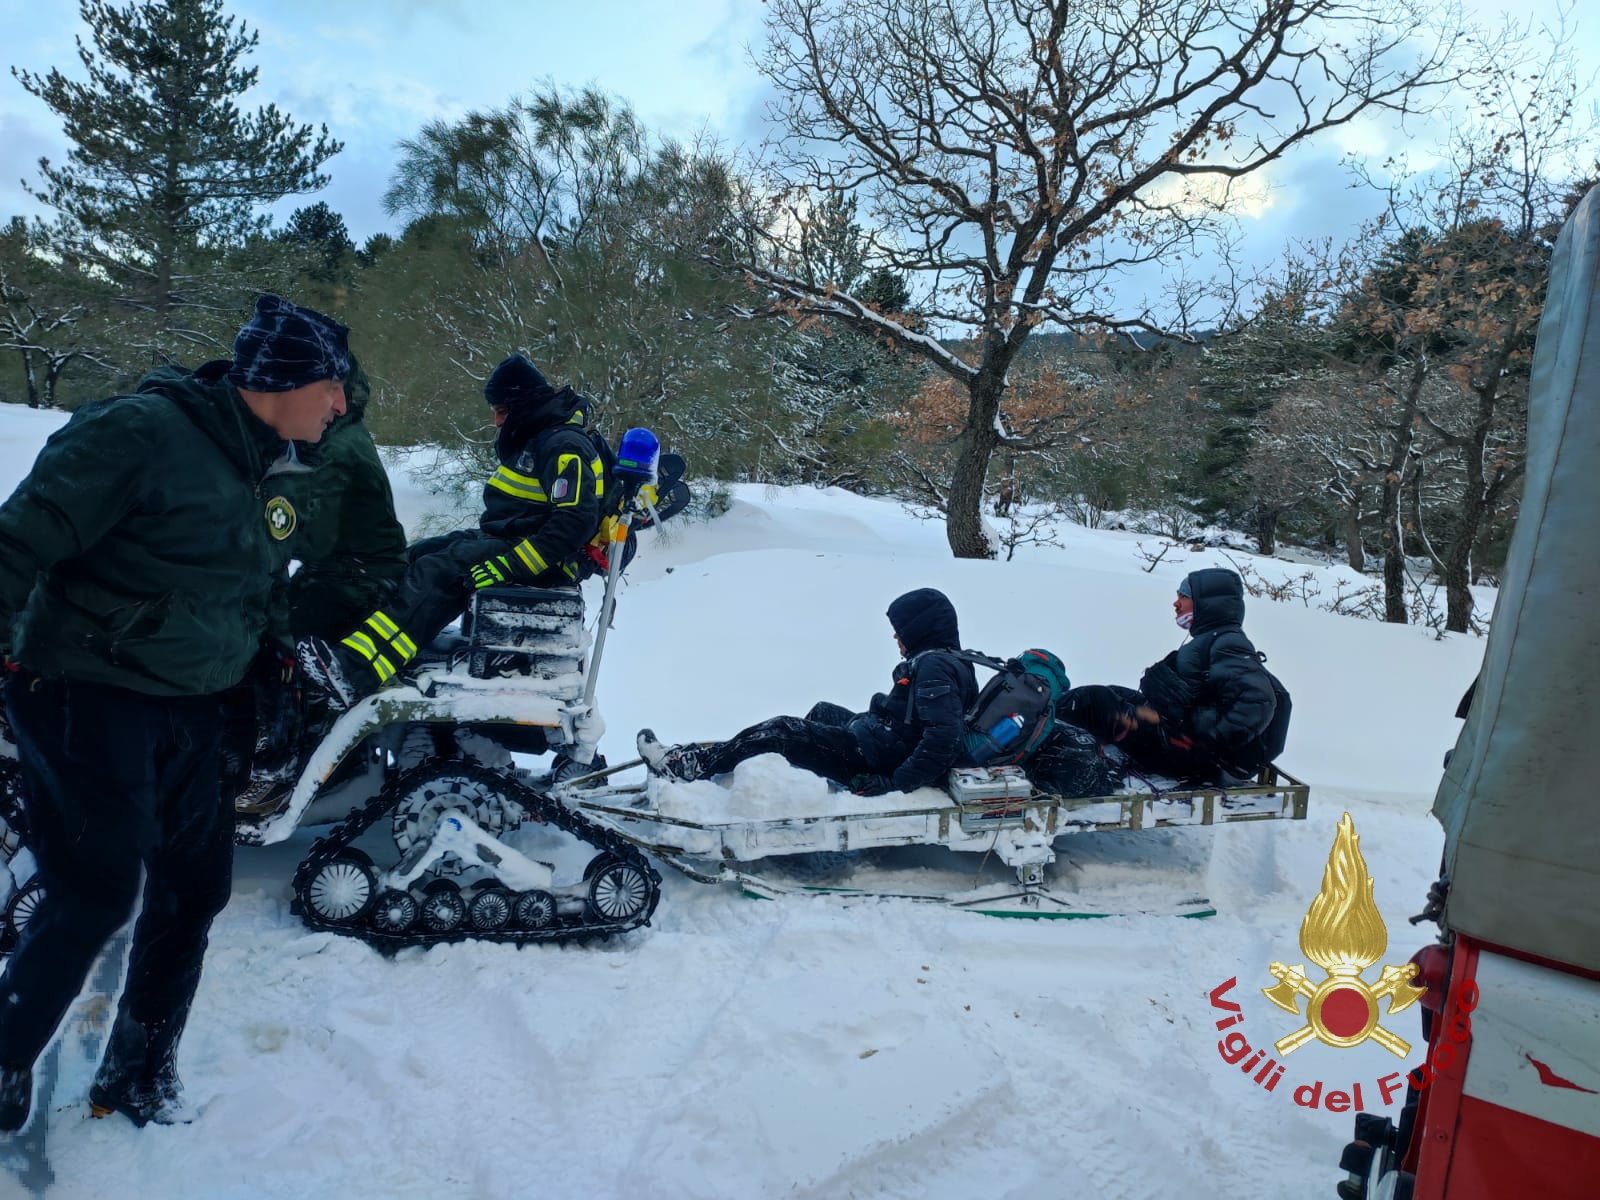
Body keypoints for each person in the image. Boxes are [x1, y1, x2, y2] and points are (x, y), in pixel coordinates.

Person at [0, 293, 351, 1131]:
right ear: (281, 380)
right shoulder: (138, 433)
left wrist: (263, 680)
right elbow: (18, 542)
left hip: (194, 702)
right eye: (333, 385)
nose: (341, 403)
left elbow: (254, 586)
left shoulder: (269, 462)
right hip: (87, 690)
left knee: (196, 889)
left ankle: (139, 1071)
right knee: (96, 888)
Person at [296, 354, 604, 710]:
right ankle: (361, 641)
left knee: (439, 571)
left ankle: (356, 672)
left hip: (541, 557)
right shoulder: (541, 440)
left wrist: (509, 566)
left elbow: (574, 523)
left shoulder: (563, 445)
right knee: (418, 554)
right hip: (509, 541)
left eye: (502, 410)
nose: (496, 420)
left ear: (524, 404)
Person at [227, 354, 409, 812]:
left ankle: (274, 764)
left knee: (269, 639)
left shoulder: (336, 447)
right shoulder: (333, 437)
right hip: (343, 568)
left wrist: (250, 539)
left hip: (358, 578)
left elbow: (305, 531)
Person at [636, 587, 979, 796]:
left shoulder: (935, 666)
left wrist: (893, 784)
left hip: (876, 758)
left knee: (783, 729)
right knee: (821, 712)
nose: (895, 637)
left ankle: (691, 767)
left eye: (900, 630)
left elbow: (943, 741)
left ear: (920, 629)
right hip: (879, 739)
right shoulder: (943, 659)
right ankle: (783, 785)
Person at [1059, 567, 1279, 785]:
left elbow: (1258, 700)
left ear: (1206, 603)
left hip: (1184, 751)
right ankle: (1049, 726)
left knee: (1094, 700)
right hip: (1175, 732)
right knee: (1111, 693)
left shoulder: (1228, 643)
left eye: (1184, 596)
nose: (1176, 603)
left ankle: (1037, 724)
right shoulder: (1215, 638)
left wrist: (1208, 743)